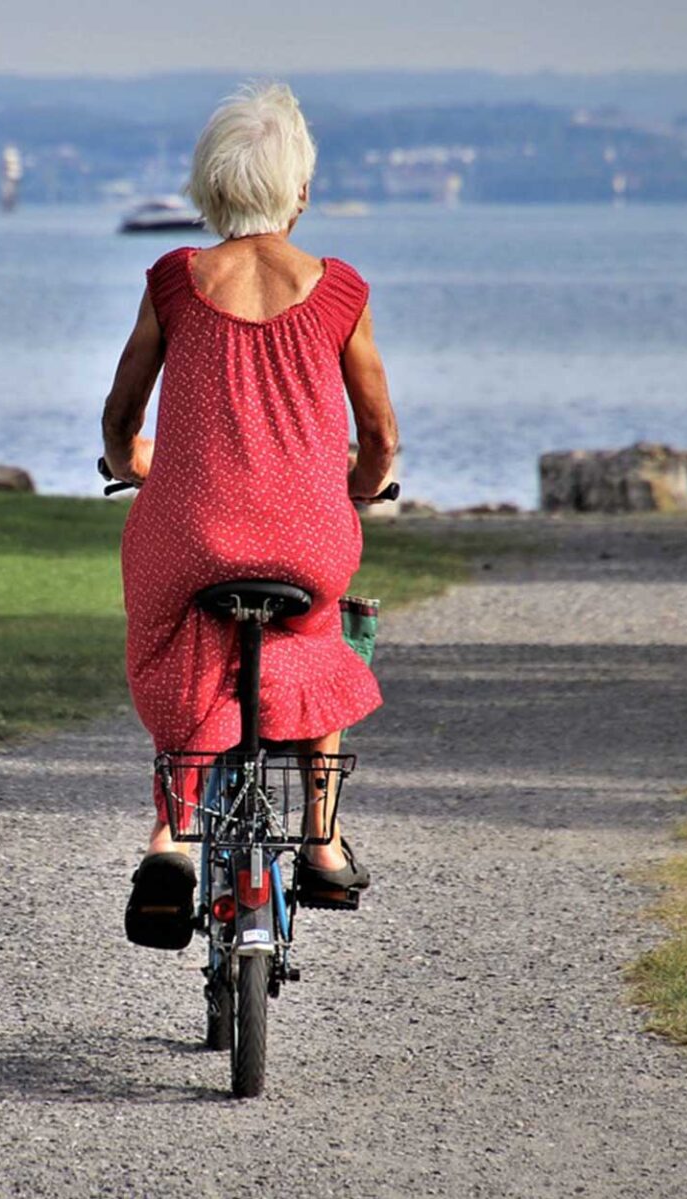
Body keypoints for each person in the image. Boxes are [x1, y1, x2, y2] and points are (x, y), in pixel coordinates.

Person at [100, 81, 399, 949]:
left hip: (191, 533)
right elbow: (378, 433)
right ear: (298, 190)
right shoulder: (340, 290)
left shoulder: (174, 281)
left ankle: (171, 839)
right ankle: (321, 835)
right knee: (317, 637)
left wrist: (133, 466)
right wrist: (364, 484)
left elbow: (122, 420)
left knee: (179, 631)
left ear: (208, 188)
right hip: (306, 538)